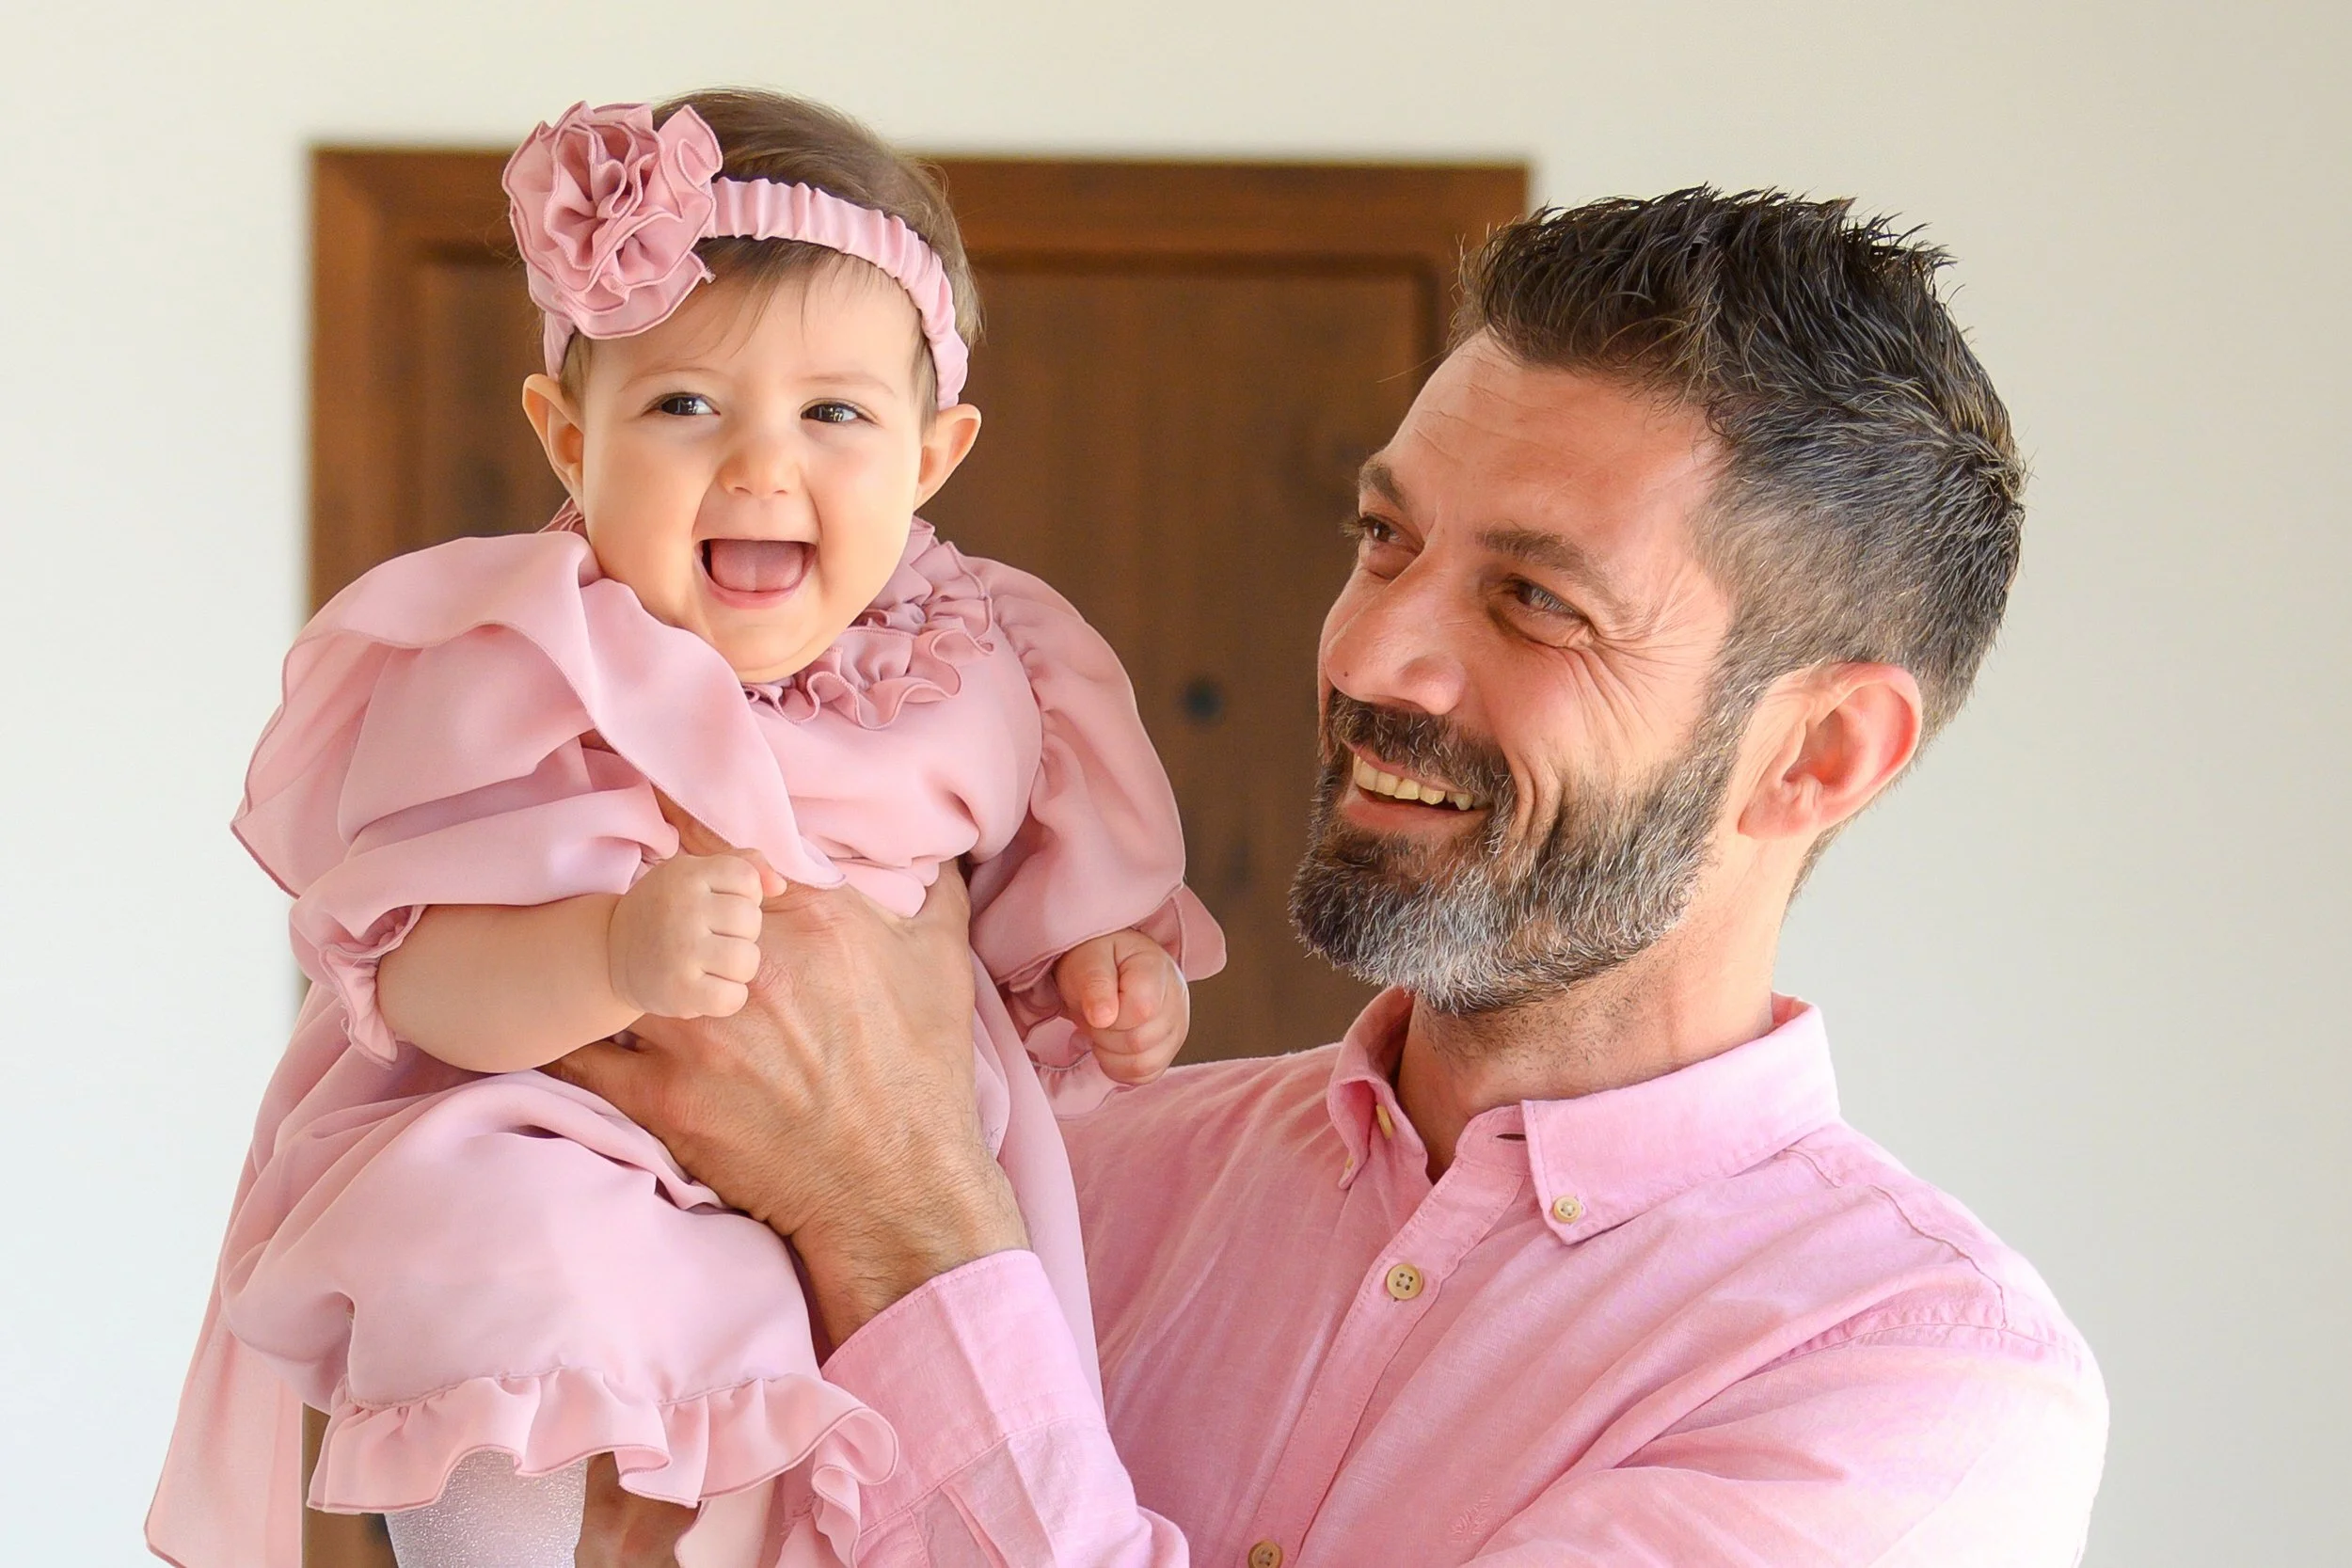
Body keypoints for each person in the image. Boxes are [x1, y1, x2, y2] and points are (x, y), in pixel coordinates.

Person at [557, 189, 2110, 1565]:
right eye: (1385, 537)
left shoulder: (1919, 1383)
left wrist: (900, 1233)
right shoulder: (1074, 1169)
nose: (1370, 655)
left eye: (1534, 600)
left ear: (1819, 754)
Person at [147, 90, 1221, 1568]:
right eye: (684, 405)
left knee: (846, 1421)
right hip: (554, 1128)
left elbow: (1060, 898)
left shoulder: (1003, 655)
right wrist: (610, 949)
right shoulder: (520, 659)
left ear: (934, 452)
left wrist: (1110, 966)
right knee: (517, 1269)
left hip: (874, 1164)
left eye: (834, 412)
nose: (762, 465)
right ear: (567, 439)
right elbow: (409, 977)